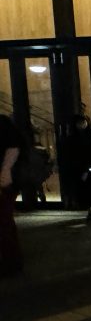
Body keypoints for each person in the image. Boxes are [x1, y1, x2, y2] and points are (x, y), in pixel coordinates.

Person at [0, 114, 25, 277]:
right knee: (7, 223)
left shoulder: (9, 146)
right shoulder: (15, 141)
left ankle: (11, 262)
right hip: (10, 186)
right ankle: (13, 260)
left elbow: (5, 170)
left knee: (3, 225)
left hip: (5, 187)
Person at [68, 114, 91, 221]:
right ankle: (90, 210)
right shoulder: (73, 137)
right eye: (79, 123)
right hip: (80, 167)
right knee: (84, 189)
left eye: (83, 122)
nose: (82, 125)